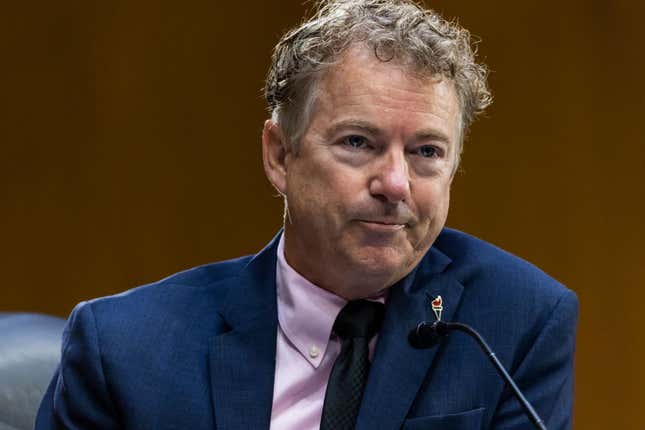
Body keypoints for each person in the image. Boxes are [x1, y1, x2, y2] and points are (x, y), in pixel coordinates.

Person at [36, 0, 578, 429]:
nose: (395, 183)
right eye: (359, 142)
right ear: (280, 156)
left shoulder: (515, 322)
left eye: (426, 152)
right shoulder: (126, 351)